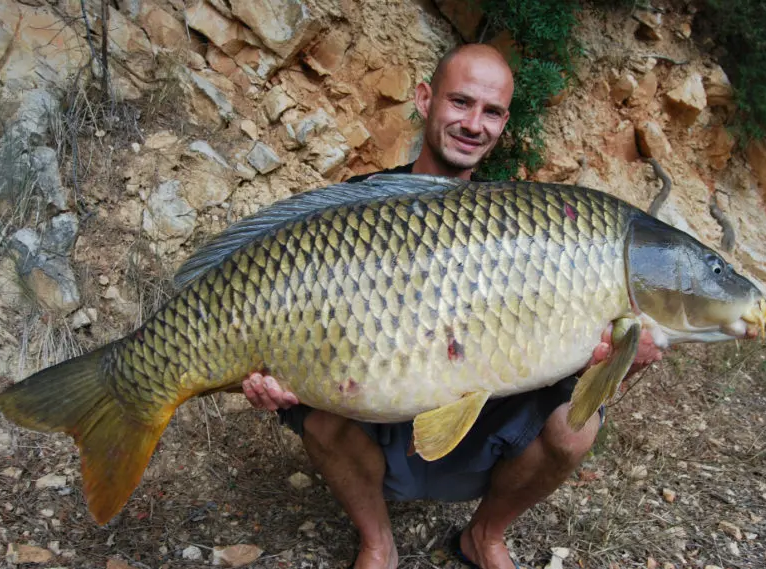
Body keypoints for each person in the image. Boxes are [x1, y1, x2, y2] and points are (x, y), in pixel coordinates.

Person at [241, 44, 663, 569]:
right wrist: (274, 380)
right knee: (314, 411)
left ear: (504, 124)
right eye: (460, 102)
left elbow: (559, 358)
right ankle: (378, 542)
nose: (473, 124)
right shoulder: (358, 208)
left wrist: (615, 359)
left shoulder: (523, 224)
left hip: (477, 440)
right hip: (376, 429)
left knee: (577, 425)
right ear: (425, 99)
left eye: (491, 112)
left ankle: (483, 534)